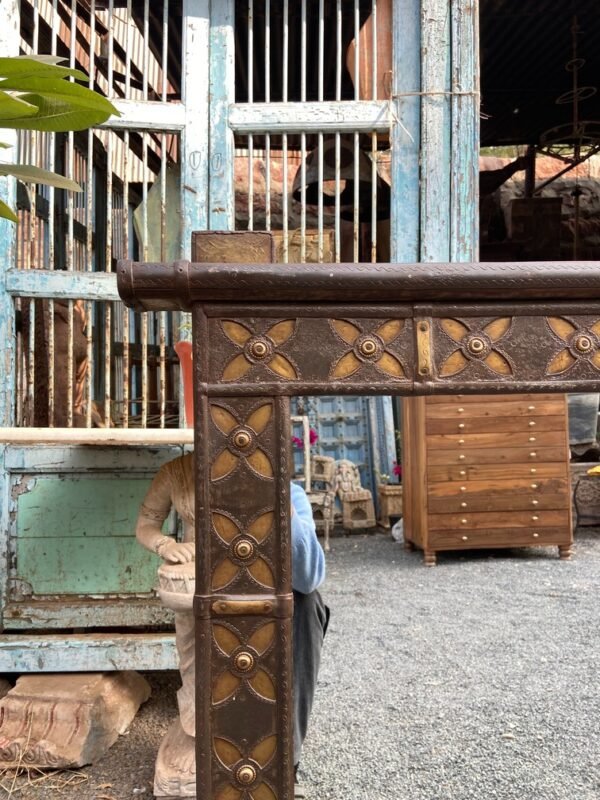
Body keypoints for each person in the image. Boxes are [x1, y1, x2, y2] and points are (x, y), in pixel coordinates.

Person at [136, 451, 328, 797]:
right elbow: (146, 524)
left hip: (261, 587)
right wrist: (166, 544)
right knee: (201, 655)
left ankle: (286, 757)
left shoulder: (286, 489)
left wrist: (275, 495)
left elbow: (310, 575)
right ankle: (207, 741)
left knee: (309, 605)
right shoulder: (177, 472)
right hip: (202, 578)